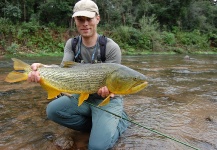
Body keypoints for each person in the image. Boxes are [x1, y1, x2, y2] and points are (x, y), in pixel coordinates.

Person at [28, 0, 130, 149]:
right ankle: (98, 126)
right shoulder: (72, 44)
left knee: (96, 148)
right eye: (80, 19)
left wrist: (109, 92)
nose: (85, 24)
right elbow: (63, 70)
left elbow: (116, 85)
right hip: (83, 96)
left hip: (107, 100)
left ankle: (120, 122)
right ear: (75, 20)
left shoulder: (110, 47)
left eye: (89, 19)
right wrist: (42, 68)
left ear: (97, 18)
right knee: (52, 111)